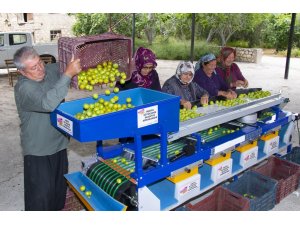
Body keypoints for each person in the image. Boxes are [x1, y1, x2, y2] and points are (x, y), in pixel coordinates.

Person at [13, 46, 81, 211]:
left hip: (59, 145)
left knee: (58, 195)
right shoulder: (24, 88)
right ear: (22, 72)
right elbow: (48, 103)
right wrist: (67, 74)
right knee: (40, 200)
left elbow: (69, 64)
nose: (40, 69)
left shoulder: (49, 70)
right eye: (33, 68)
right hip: (38, 152)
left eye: (40, 63)